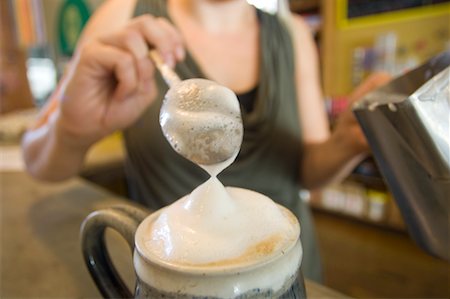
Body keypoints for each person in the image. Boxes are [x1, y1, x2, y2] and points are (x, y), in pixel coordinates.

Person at [22, 0, 390, 282]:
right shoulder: (125, 19)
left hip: (286, 268)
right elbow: (38, 161)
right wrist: (71, 130)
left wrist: (347, 142)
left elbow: (307, 172)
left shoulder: (292, 35)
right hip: (177, 277)